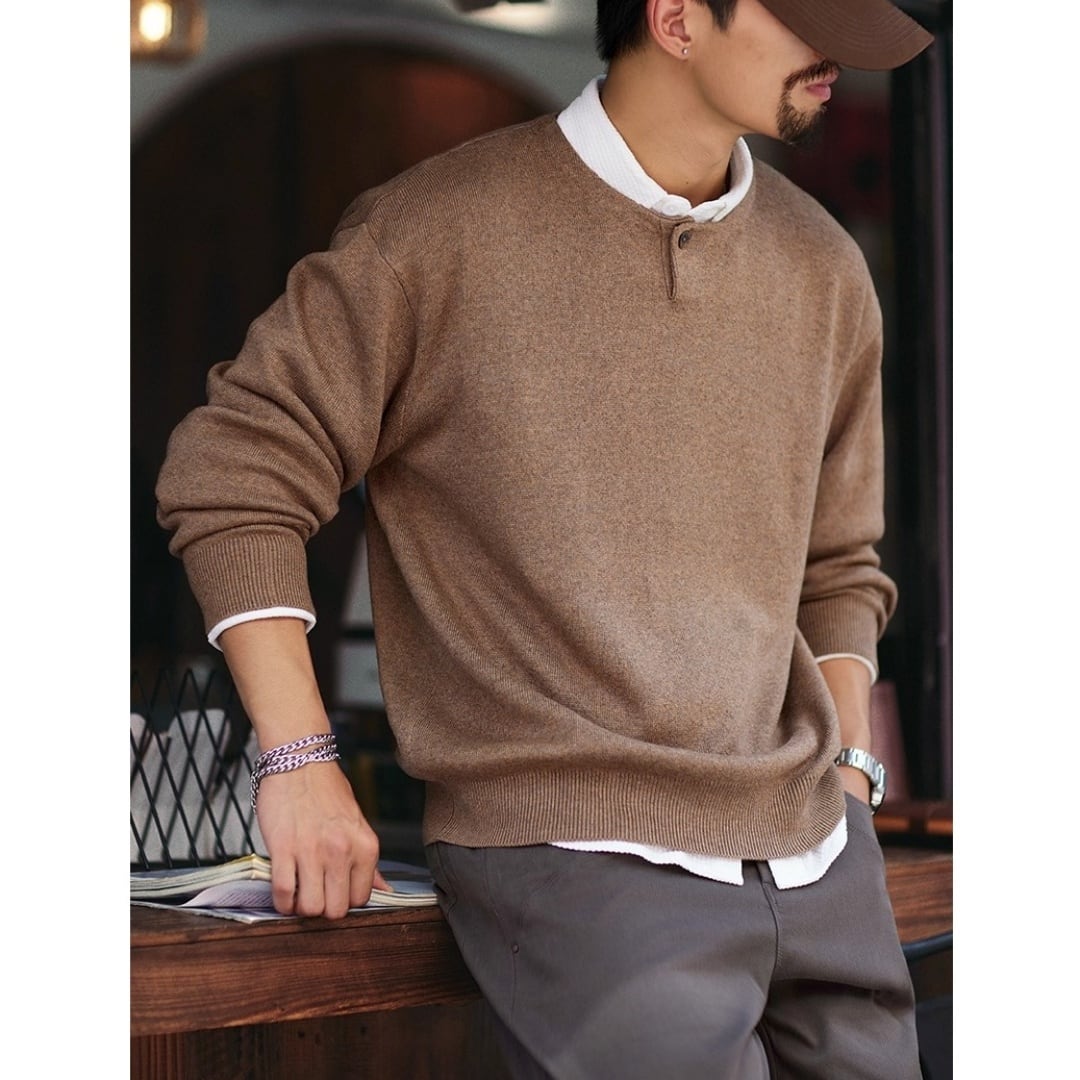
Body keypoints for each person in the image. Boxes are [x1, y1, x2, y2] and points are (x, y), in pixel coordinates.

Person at [156, 1, 935, 1075]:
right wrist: (299, 762)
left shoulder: (824, 266)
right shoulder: (436, 232)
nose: (835, 52)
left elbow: (840, 562)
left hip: (815, 861)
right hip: (581, 862)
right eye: (802, 14)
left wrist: (848, 774)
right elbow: (233, 469)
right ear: (675, 18)